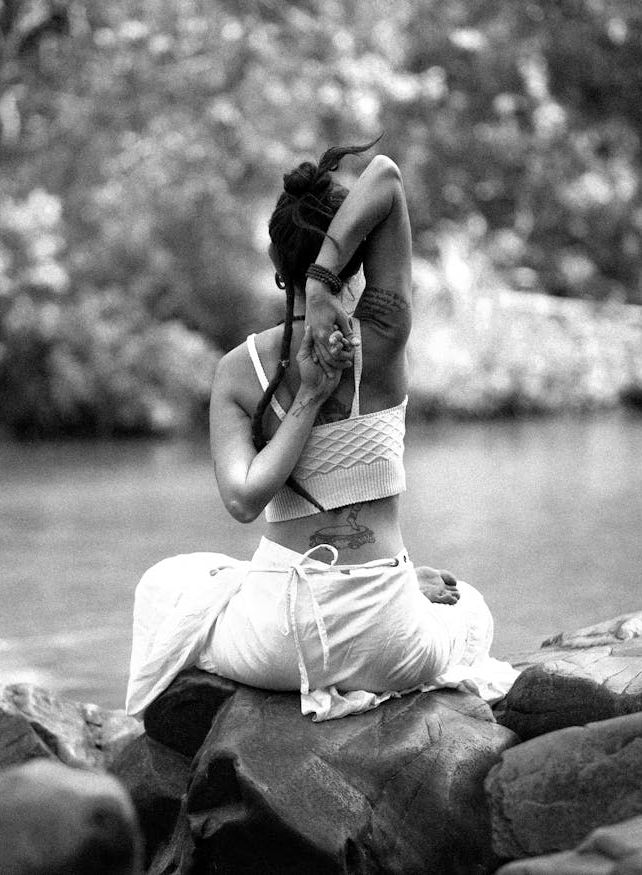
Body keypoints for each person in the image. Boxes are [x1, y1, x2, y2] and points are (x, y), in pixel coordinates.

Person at [125, 140, 518, 722]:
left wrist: (305, 394)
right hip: (389, 634)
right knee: (471, 611)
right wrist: (324, 281)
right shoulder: (382, 335)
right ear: (355, 259)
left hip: (280, 639)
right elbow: (384, 176)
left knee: (168, 583)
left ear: (275, 264)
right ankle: (402, 591)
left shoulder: (238, 370)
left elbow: (242, 499)